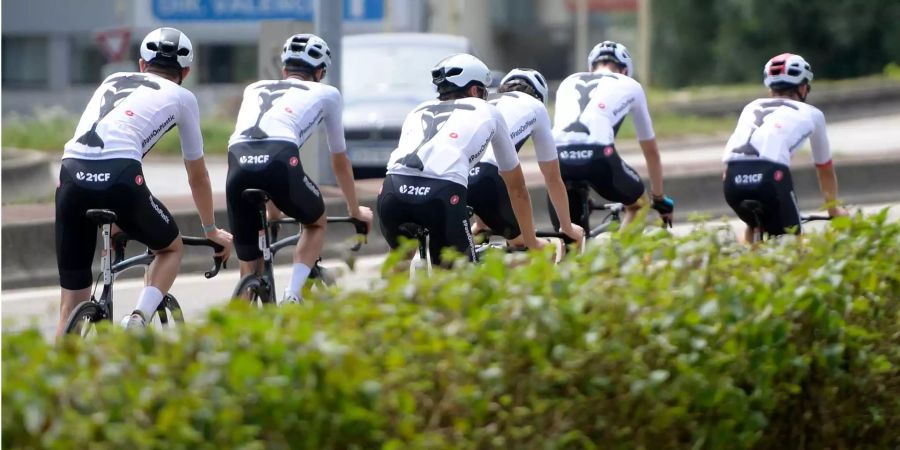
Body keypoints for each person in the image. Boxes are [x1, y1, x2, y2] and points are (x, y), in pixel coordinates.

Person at [55, 27, 233, 335]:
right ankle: (137, 320)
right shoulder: (183, 97)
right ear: (186, 71)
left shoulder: (112, 79)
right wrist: (210, 229)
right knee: (171, 248)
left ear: (141, 65)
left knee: (71, 302)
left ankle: (58, 379)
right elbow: (198, 176)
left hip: (70, 175)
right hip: (121, 179)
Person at [226, 33, 372, 304]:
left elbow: (257, 154)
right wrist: (355, 210)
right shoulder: (327, 93)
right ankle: (292, 293)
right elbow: (339, 160)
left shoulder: (254, 88)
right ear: (320, 72)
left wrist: (273, 212)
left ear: (284, 70)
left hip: (237, 160)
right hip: (280, 158)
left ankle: (241, 318)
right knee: (316, 222)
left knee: (249, 264)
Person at [378, 53, 546, 266]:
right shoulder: (489, 111)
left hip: (391, 192)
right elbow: (517, 188)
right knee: (452, 279)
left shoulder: (417, 109)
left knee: (398, 263)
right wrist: (532, 242)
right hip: (440, 195)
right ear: (475, 90)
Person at [722, 53, 848, 241]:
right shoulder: (813, 114)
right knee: (795, 241)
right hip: (770, 175)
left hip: (731, 178)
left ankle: (740, 263)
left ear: (770, 90)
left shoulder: (751, 106)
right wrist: (833, 208)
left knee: (753, 225)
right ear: (804, 88)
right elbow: (825, 169)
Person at [551, 40, 674, 228]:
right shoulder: (630, 85)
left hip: (557, 157)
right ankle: (615, 255)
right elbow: (651, 152)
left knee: (568, 235)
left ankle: (565, 249)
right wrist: (658, 198)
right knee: (639, 206)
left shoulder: (568, 82)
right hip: (598, 156)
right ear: (625, 70)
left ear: (592, 67)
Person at [468, 68, 584, 246]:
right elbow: (552, 177)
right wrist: (567, 227)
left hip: (454, 178)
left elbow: (478, 153)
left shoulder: (486, 101)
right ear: (540, 96)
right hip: (487, 179)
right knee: (528, 245)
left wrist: (481, 221)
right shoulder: (535, 106)